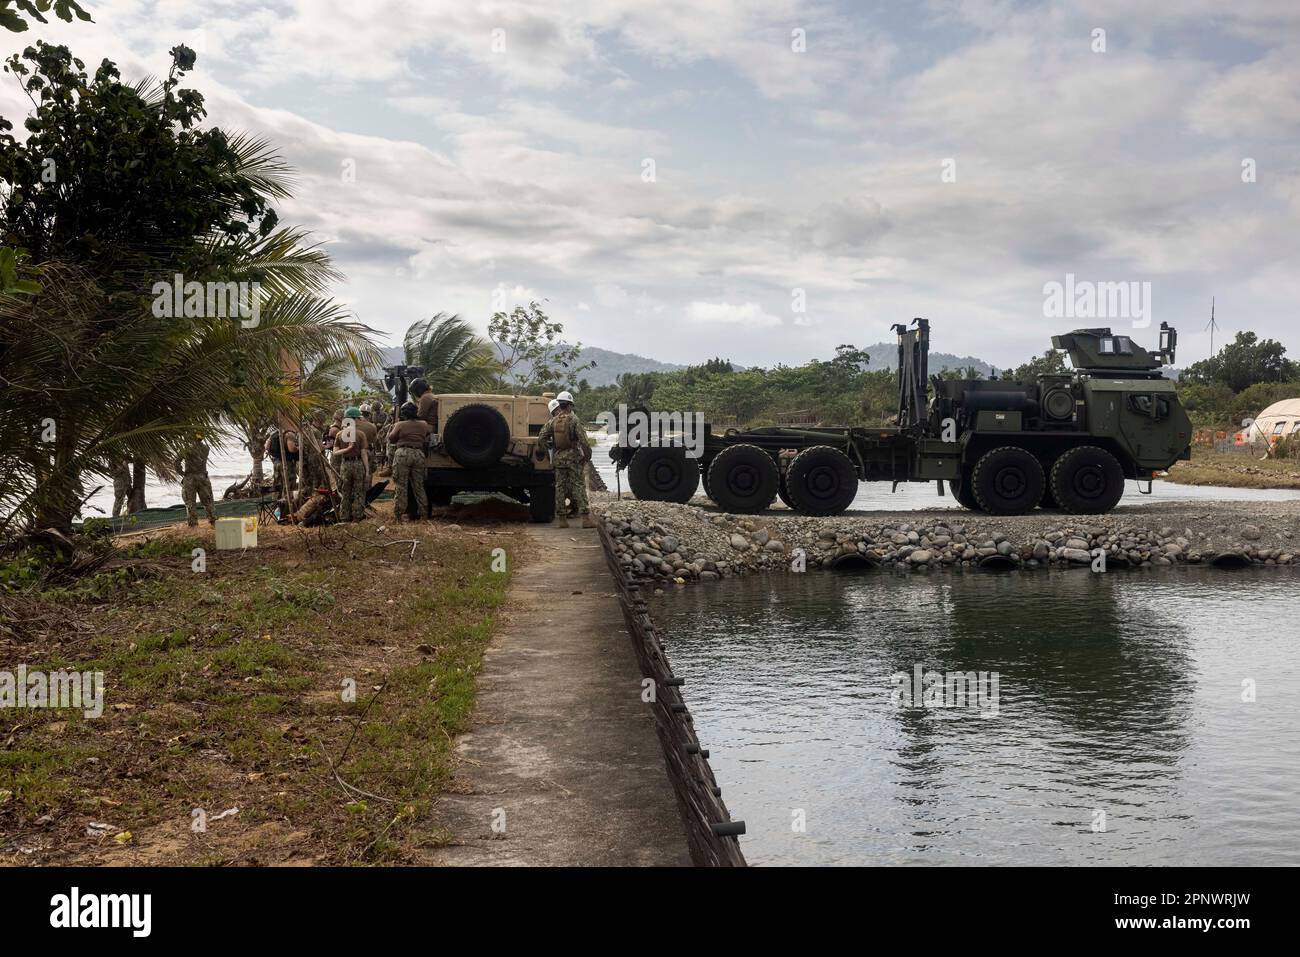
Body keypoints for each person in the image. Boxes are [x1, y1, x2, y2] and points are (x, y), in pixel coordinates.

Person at [538, 390, 594, 528]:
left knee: (560, 487)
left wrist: (549, 453)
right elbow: (584, 442)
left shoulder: (553, 421)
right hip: (574, 458)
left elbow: (541, 438)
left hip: (559, 458)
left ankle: (562, 520)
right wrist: (586, 457)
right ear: (569, 405)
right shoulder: (574, 420)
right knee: (578, 486)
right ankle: (585, 519)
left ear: (559, 404)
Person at [387, 401, 430, 522]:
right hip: (418, 454)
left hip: (403, 454)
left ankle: (398, 516)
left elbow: (391, 439)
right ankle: (424, 515)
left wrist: (393, 429)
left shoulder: (400, 424)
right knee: (419, 486)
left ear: (404, 413)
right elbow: (427, 436)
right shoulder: (424, 424)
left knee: (401, 486)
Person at [333, 407, 370, 522]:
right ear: (354, 419)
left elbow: (335, 453)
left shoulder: (339, 434)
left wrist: (346, 450)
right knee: (359, 491)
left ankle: (344, 517)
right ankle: (357, 517)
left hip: (345, 465)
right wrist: (367, 471)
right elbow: (364, 453)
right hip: (358, 463)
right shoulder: (360, 434)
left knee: (345, 491)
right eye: (358, 418)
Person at [175, 433, 217, 527]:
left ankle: (193, 525)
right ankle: (213, 521)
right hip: (203, 477)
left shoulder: (186, 449)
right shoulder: (206, 448)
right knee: (208, 501)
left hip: (190, 478)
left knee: (190, 503)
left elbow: (177, 462)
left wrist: (182, 473)